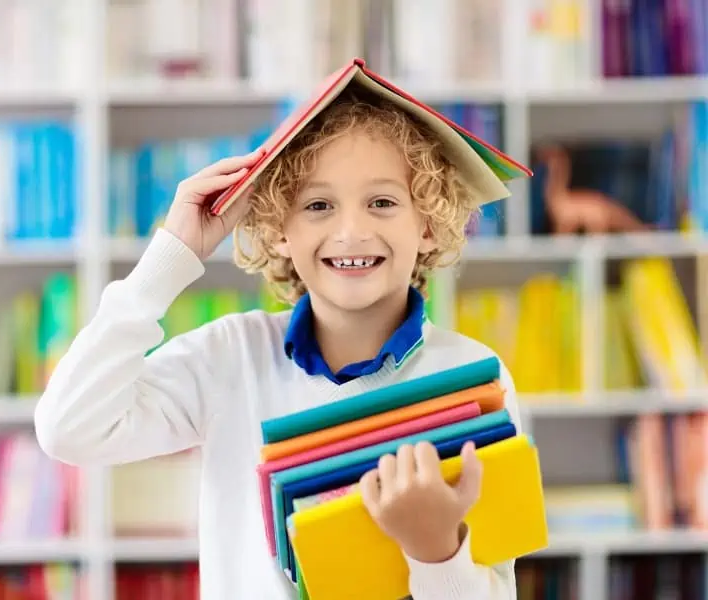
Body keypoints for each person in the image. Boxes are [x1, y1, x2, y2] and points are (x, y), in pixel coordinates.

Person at [34, 90, 523, 599]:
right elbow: (68, 428)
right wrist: (171, 258)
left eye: (382, 202)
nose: (351, 231)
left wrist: (437, 551)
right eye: (317, 205)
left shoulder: (475, 375)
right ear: (279, 230)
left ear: (426, 224)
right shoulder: (228, 356)